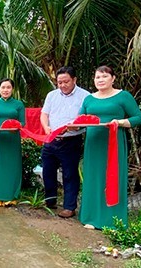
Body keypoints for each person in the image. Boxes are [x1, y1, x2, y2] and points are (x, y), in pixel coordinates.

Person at [79, 66, 141, 229]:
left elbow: (138, 118)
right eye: (97, 77)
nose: (100, 80)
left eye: (104, 76)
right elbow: (80, 119)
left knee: (112, 176)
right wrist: (72, 126)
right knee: (93, 178)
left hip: (113, 143)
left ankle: (112, 220)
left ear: (113, 78)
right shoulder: (89, 99)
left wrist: (120, 122)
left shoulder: (123, 96)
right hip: (93, 145)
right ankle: (92, 218)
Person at [40, 66, 89, 218]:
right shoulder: (52, 95)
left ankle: (69, 207)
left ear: (74, 80)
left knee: (69, 174)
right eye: (59, 82)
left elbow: (88, 119)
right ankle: (50, 200)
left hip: (71, 140)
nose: (62, 85)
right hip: (51, 139)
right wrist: (46, 127)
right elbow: (44, 114)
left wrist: (75, 126)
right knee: (47, 171)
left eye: (66, 82)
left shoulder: (85, 96)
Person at [0, 78, 25, 207]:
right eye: (3, 87)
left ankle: (10, 196)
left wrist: (15, 128)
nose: (5, 90)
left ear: (12, 89)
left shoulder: (18, 104)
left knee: (12, 167)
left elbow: (22, 122)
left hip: (12, 140)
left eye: (8, 87)